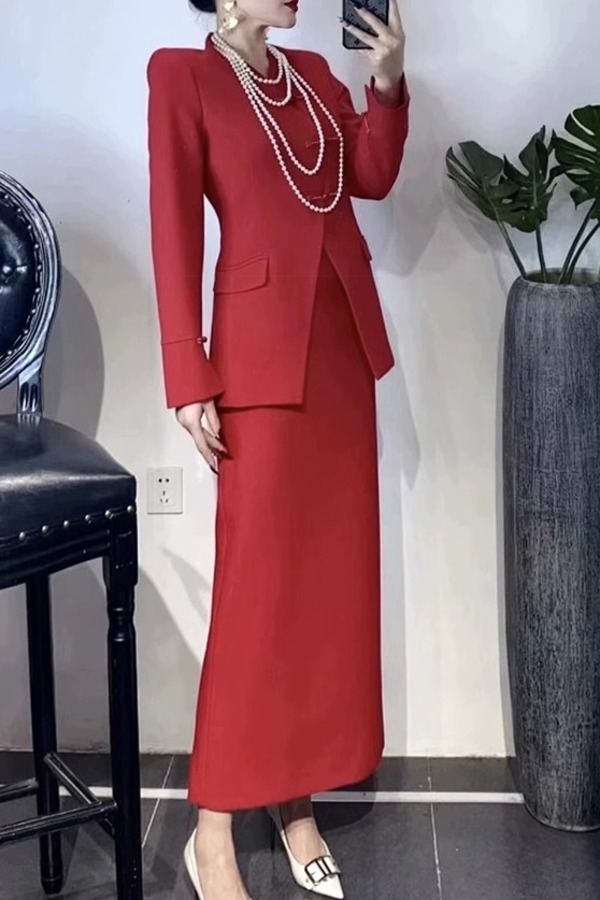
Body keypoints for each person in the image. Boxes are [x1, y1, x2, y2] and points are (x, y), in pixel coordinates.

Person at [146, 1, 409, 897]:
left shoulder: (315, 78)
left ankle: (295, 805)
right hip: (256, 364)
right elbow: (174, 225)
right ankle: (211, 831)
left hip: (340, 355)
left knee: (320, 593)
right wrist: (188, 373)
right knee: (256, 598)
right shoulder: (183, 77)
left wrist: (386, 83)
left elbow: (369, 175)